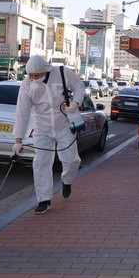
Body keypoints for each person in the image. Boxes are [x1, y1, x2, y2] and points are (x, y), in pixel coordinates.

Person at [12, 55, 85, 214]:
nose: (33, 78)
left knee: (71, 160)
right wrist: (18, 140)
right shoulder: (26, 85)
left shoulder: (63, 72)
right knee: (41, 163)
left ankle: (67, 181)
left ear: (46, 70)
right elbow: (22, 112)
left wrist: (75, 103)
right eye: (31, 76)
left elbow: (79, 86)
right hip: (42, 127)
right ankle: (44, 200)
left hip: (64, 124)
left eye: (37, 76)